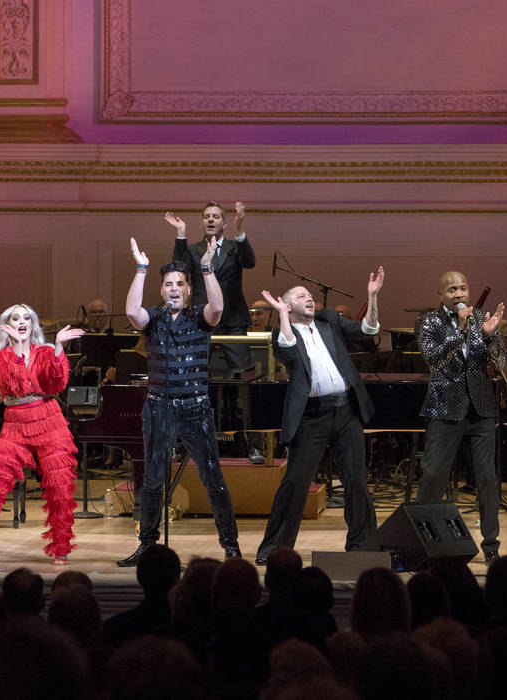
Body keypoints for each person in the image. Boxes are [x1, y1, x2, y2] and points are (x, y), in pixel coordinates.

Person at [117, 237, 241, 566]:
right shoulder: (153, 319)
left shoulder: (199, 317)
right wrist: (141, 269)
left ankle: (230, 545)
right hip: (159, 408)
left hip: (195, 408)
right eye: (169, 284)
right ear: (162, 290)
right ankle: (146, 545)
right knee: (153, 480)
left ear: (188, 290)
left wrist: (207, 268)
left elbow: (218, 308)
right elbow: (131, 311)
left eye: (180, 284)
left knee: (213, 478)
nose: (174, 288)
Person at [253, 270, 384, 565]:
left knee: (356, 481)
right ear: (287, 305)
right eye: (301, 296)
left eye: (310, 296)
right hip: (311, 416)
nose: (309, 298)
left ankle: (363, 545)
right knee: (295, 483)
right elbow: (287, 351)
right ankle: (275, 549)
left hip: (346, 411)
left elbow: (368, 330)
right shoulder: (281, 332)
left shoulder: (330, 321)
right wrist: (282, 315)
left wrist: (372, 296)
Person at [0, 304, 83, 564]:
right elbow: (15, 384)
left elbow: (58, 383)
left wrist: (58, 347)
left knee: (60, 486)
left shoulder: (45, 352)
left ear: (33, 324)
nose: (22, 322)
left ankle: (61, 547)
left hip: (49, 419)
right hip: (16, 422)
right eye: (16, 318)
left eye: (26, 317)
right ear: (8, 326)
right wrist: (17, 347)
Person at [414, 271, 507, 565]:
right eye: (452, 289)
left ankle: (491, 545)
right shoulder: (428, 321)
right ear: (441, 294)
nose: (459, 294)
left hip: (480, 409)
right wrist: (460, 330)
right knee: (433, 475)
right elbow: (432, 359)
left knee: (487, 478)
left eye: (463, 288)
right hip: (444, 408)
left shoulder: (482, 318)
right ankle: (422, 541)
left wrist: (490, 338)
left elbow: (501, 363)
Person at [169, 201, 256, 376]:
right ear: (202, 223)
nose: (210, 220)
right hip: (201, 320)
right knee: (192, 372)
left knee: (245, 374)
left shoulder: (234, 247)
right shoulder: (193, 250)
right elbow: (178, 272)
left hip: (232, 322)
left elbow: (249, 262)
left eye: (215, 217)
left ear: (224, 224)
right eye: (206, 216)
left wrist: (239, 229)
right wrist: (181, 234)